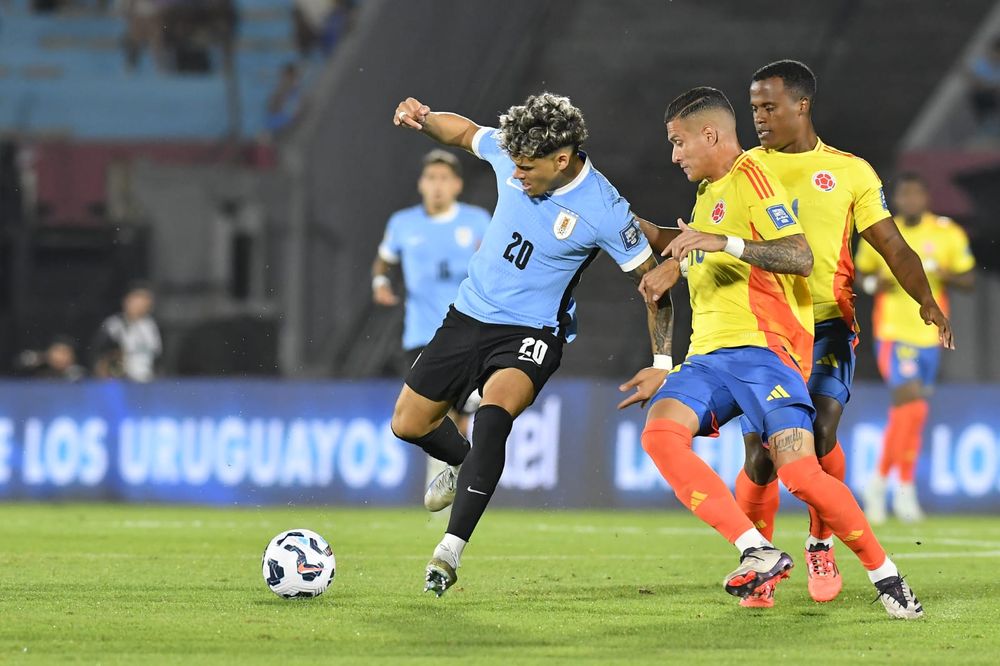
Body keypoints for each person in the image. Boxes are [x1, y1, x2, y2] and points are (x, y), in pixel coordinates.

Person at [633, 86, 922, 619]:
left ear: (710, 135)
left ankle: (888, 578)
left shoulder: (751, 178)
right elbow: (696, 252)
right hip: (708, 359)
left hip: (766, 354)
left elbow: (798, 254)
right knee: (659, 432)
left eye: (678, 142)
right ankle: (756, 550)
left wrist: (721, 244)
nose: (673, 155)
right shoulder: (705, 196)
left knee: (799, 473)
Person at [389, 92, 675, 596]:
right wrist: (426, 119)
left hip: (532, 331)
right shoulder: (512, 150)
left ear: (561, 160)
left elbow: (655, 289)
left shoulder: (605, 210)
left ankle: (449, 551)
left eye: (526, 168)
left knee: (495, 412)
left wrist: (662, 361)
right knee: (407, 424)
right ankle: (462, 463)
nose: (516, 175)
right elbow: (463, 132)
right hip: (468, 315)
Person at [729, 60, 949, 608]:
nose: (758, 118)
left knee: (822, 433)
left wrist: (926, 300)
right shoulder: (743, 167)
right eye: (753, 108)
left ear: (801, 105)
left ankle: (820, 541)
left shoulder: (850, 172)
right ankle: (759, 564)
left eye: (768, 107)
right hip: (767, 326)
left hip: (829, 321)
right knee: (761, 455)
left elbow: (892, 244)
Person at [371, 149, 491, 503]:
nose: (437, 186)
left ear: (457, 185)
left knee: (460, 414)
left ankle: (448, 486)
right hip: (421, 335)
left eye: (444, 179)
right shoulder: (402, 224)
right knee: (434, 415)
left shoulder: (477, 221)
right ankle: (451, 483)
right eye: (431, 178)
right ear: (421, 184)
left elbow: (495, 262)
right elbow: (383, 263)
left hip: (469, 331)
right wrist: (380, 283)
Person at [856, 172, 975, 524]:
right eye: (903, 195)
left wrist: (941, 272)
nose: (910, 201)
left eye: (915, 195)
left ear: (925, 198)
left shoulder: (945, 232)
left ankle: (896, 486)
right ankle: (885, 484)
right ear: (896, 199)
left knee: (915, 413)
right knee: (907, 403)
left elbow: (968, 278)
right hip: (893, 332)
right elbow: (860, 276)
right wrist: (873, 282)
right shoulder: (882, 231)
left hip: (930, 336)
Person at [92, 283, 162, 382]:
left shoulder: (153, 325)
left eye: (146, 299)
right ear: (127, 301)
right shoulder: (114, 325)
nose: (143, 303)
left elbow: (159, 357)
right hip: (122, 381)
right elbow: (100, 355)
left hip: (149, 380)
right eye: (138, 298)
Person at [15, 336, 86, 381]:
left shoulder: (75, 373)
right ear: (49, 352)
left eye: (65, 353)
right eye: (58, 351)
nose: (60, 357)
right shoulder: (36, 366)